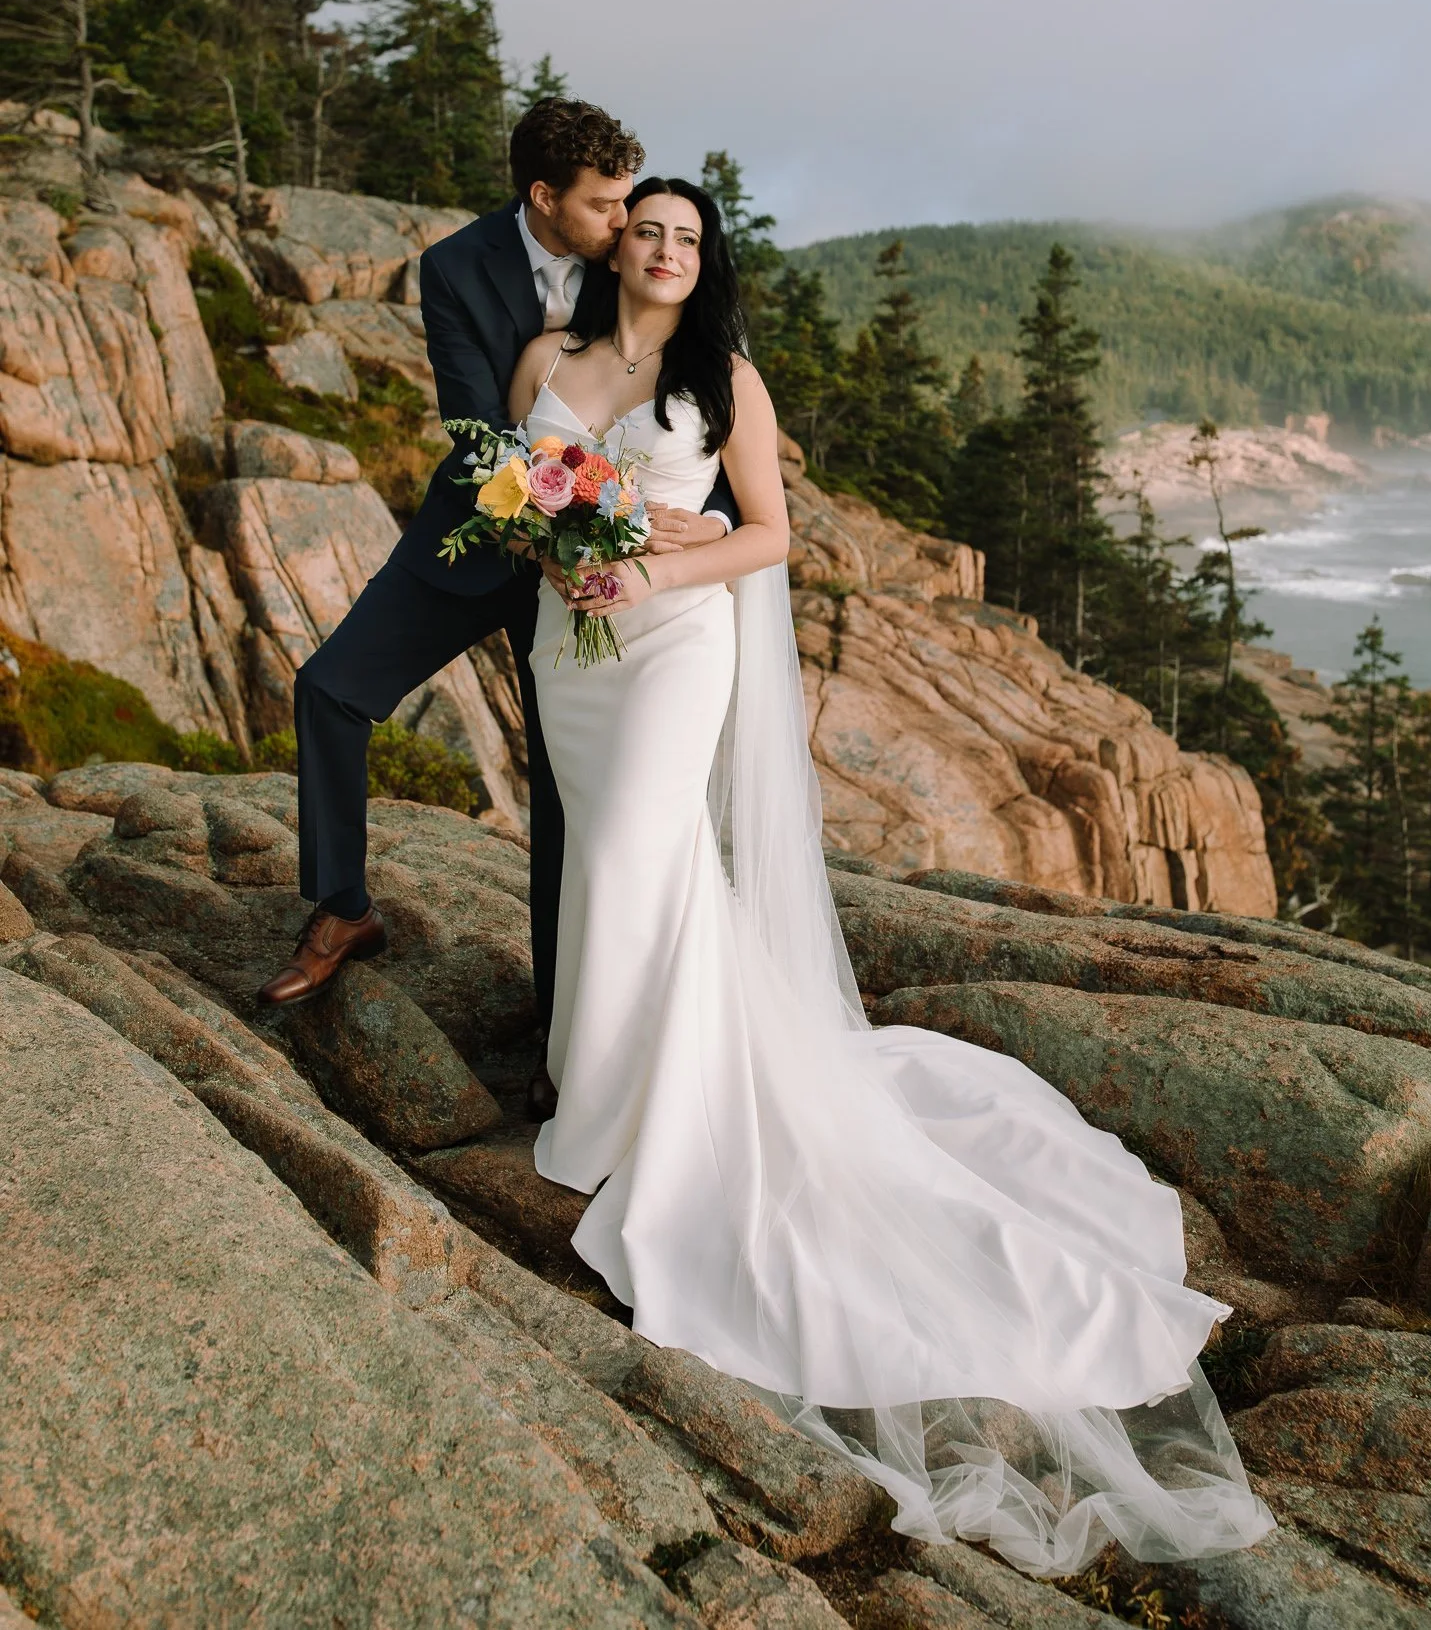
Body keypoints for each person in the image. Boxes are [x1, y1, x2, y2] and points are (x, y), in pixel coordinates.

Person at [507, 175, 1276, 1575]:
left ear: (702, 256)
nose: (667, 248)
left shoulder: (721, 376)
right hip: (572, 656)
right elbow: (520, 489)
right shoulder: (549, 361)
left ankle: (640, 1123)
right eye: (649, 229)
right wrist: (558, 549)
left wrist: (651, 574)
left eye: (689, 235)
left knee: (636, 856)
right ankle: (607, 1091)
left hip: (673, 647)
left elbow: (771, 537)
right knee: (622, 869)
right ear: (613, 241)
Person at [257, 100, 740, 1127]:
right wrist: (545, 525)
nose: (627, 225)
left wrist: (691, 527)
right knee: (330, 690)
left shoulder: (640, 251)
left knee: (578, 800)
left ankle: (573, 1043)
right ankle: (343, 910)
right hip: (486, 535)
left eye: (631, 206)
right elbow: (477, 426)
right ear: (543, 200)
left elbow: (695, 402)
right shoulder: (455, 268)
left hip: (613, 572)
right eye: (607, 207)